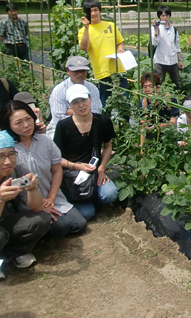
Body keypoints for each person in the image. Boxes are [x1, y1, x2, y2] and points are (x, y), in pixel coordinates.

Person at [0, 101, 87, 238]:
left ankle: (43, 233)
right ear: (9, 125)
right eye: (18, 122)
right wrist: (39, 205)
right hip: (28, 203)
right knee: (62, 226)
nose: (26, 125)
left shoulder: (45, 140)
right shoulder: (9, 150)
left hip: (52, 196)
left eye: (28, 119)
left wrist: (51, 198)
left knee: (79, 224)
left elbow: (57, 170)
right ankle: (35, 235)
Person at [53, 84, 118, 221]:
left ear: (90, 99)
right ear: (69, 105)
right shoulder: (64, 126)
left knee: (110, 195)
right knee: (87, 214)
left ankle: (90, 198)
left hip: (94, 171)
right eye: (75, 102)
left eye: (84, 100)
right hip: (73, 174)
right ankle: (84, 199)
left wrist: (101, 168)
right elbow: (56, 158)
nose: (81, 105)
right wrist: (76, 166)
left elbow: (107, 147)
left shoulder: (103, 121)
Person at [0, 130, 50, 280]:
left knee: (41, 219)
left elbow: (36, 208)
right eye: (1, 156)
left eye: (11, 154)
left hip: (7, 222)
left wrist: (33, 188)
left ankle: (10, 255)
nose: (8, 162)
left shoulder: (17, 170)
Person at [78, 0, 127, 106]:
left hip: (118, 69)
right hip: (102, 73)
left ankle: (125, 123)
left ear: (100, 10)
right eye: (90, 11)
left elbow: (120, 42)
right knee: (105, 104)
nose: (93, 13)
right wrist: (86, 28)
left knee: (124, 102)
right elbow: (84, 47)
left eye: (95, 10)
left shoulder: (110, 25)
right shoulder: (83, 31)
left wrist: (120, 49)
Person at [46, 55, 102, 138]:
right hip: (61, 128)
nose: (80, 74)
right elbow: (59, 118)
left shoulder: (92, 89)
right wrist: (84, 113)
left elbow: (97, 112)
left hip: (89, 127)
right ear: (68, 70)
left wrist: (70, 111)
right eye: (76, 71)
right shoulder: (59, 90)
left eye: (83, 71)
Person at [137, 72, 179, 145]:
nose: (148, 89)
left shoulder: (169, 100)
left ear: (158, 87)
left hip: (167, 134)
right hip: (151, 137)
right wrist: (146, 126)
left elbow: (173, 122)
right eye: (145, 87)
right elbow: (141, 124)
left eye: (150, 86)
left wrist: (161, 126)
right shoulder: (142, 104)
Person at [151, 5, 183, 91]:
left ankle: (177, 100)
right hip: (160, 61)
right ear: (159, 17)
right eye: (162, 16)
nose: (165, 18)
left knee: (176, 83)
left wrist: (179, 60)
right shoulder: (155, 28)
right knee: (158, 83)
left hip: (172, 60)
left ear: (169, 16)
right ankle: (157, 100)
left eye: (166, 15)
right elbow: (154, 42)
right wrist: (156, 28)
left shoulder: (174, 30)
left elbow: (177, 46)